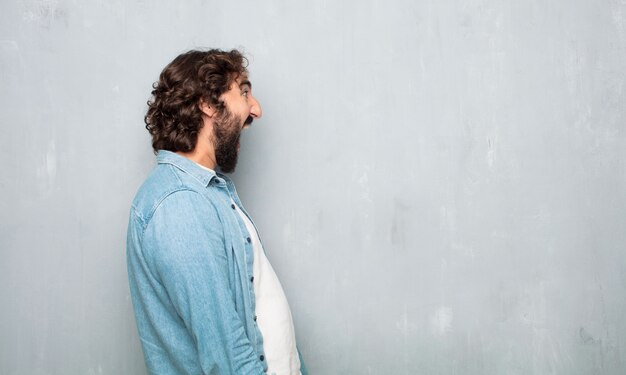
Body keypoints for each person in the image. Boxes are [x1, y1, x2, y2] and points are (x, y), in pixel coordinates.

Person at [126, 49, 306, 375]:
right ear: (207, 104)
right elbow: (225, 356)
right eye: (244, 91)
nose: (256, 108)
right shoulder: (179, 204)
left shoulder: (210, 192)